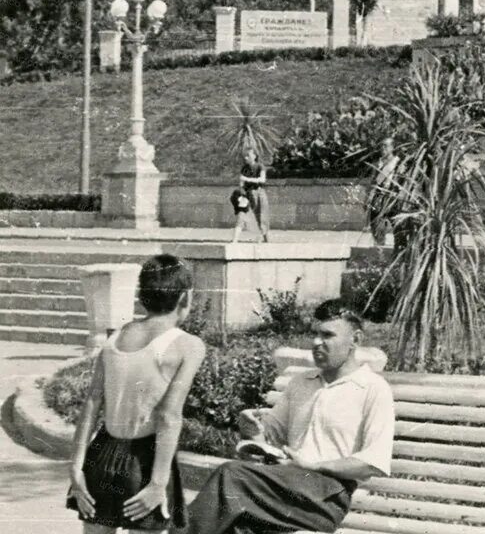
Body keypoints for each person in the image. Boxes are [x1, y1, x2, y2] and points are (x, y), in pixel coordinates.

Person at [185, 300, 395, 534]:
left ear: (355, 340)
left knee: (231, 476)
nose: (316, 343)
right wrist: (252, 428)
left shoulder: (372, 389)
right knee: (239, 527)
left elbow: (372, 462)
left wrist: (314, 465)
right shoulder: (301, 383)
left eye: (327, 335)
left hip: (325, 496)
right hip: (283, 485)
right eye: (314, 334)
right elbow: (268, 437)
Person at [67, 255, 207, 534]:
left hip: (102, 452)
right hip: (145, 460)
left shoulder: (115, 337)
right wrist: (158, 482)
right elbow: (168, 416)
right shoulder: (188, 345)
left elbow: (92, 403)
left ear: (141, 296)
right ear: (186, 298)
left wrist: (76, 466)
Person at [367, 137, 400, 247]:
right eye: (381, 146)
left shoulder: (398, 163)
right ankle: (379, 249)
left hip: (394, 196)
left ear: (393, 147)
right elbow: (373, 181)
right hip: (379, 195)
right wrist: (368, 197)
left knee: (397, 224)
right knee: (376, 223)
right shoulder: (378, 163)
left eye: (386, 146)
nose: (383, 148)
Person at [239, 148, 269, 243]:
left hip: (259, 192)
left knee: (262, 214)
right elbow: (241, 182)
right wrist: (242, 190)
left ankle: (264, 238)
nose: (246, 157)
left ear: (254, 156)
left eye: (248, 155)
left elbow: (262, 179)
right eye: (245, 155)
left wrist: (247, 179)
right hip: (249, 193)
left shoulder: (260, 166)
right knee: (256, 215)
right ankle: (263, 237)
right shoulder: (245, 168)